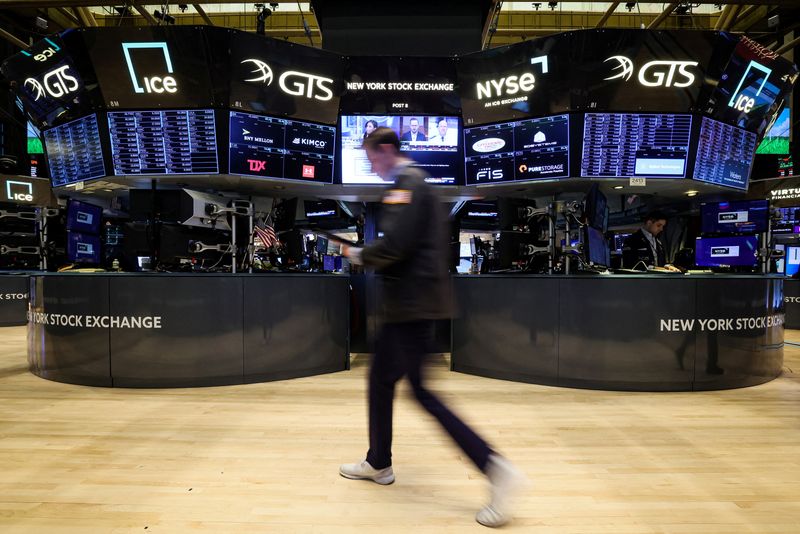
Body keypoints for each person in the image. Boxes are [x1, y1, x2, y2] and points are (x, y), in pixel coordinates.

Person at [338, 127, 526, 528]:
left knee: (420, 394)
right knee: (385, 382)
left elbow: (393, 249)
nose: (371, 167)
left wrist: (356, 252)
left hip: (410, 307)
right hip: (414, 306)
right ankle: (379, 462)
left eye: (372, 158)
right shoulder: (414, 184)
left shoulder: (407, 184)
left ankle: (496, 470)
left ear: (387, 149)